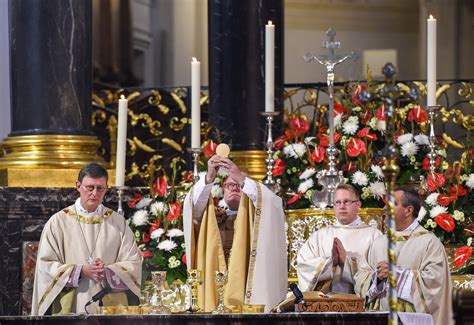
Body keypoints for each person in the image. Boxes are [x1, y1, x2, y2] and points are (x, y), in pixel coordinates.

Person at [31, 163, 142, 315]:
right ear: (78, 186)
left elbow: (133, 264)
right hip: (71, 305)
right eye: (90, 187)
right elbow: (45, 267)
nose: (94, 193)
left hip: (110, 308)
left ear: (106, 188)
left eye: (100, 188)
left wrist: (107, 272)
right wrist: (80, 271)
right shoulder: (58, 222)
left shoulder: (118, 222)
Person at [183, 155, 287, 312]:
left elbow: (273, 204)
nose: (234, 188)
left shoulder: (259, 217)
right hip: (213, 289)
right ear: (223, 191)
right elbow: (193, 210)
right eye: (228, 185)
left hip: (247, 289)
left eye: (238, 185)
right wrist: (209, 177)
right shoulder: (211, 218)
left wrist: (240, 177)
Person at [354, 186, 453, 325]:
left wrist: (396, 275)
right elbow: (361, 276)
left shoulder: (430, 243)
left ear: (408, 210)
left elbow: (436, 284)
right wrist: (377, 279)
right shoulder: (378, 243)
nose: (385, 209)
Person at [296, 184, 382, 294]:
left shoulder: (374, 236)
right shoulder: (320, 236)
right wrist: (329, 262)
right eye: (338, 202)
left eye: (347, 202)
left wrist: (346, 262)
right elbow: (303, 264)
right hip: (325, 306)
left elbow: (380, 274)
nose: (342, 206)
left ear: (358, 205)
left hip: (360, 304)